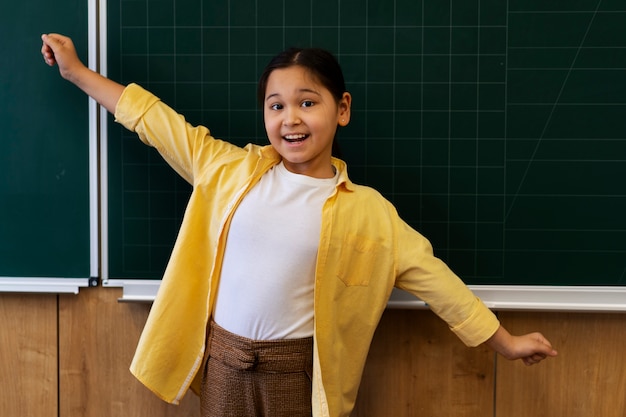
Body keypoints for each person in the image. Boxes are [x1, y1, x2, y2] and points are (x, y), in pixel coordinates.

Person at [41, 33, 557, 417]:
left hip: (297, 373)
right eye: (277, 105)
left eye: (308, 103)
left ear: (342, 109)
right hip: (222, 361)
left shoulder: (368, 211)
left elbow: (438, 282)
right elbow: (154, 120)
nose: (291, 119)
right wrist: (76, 73)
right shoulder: (228, 169)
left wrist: (506, 341)